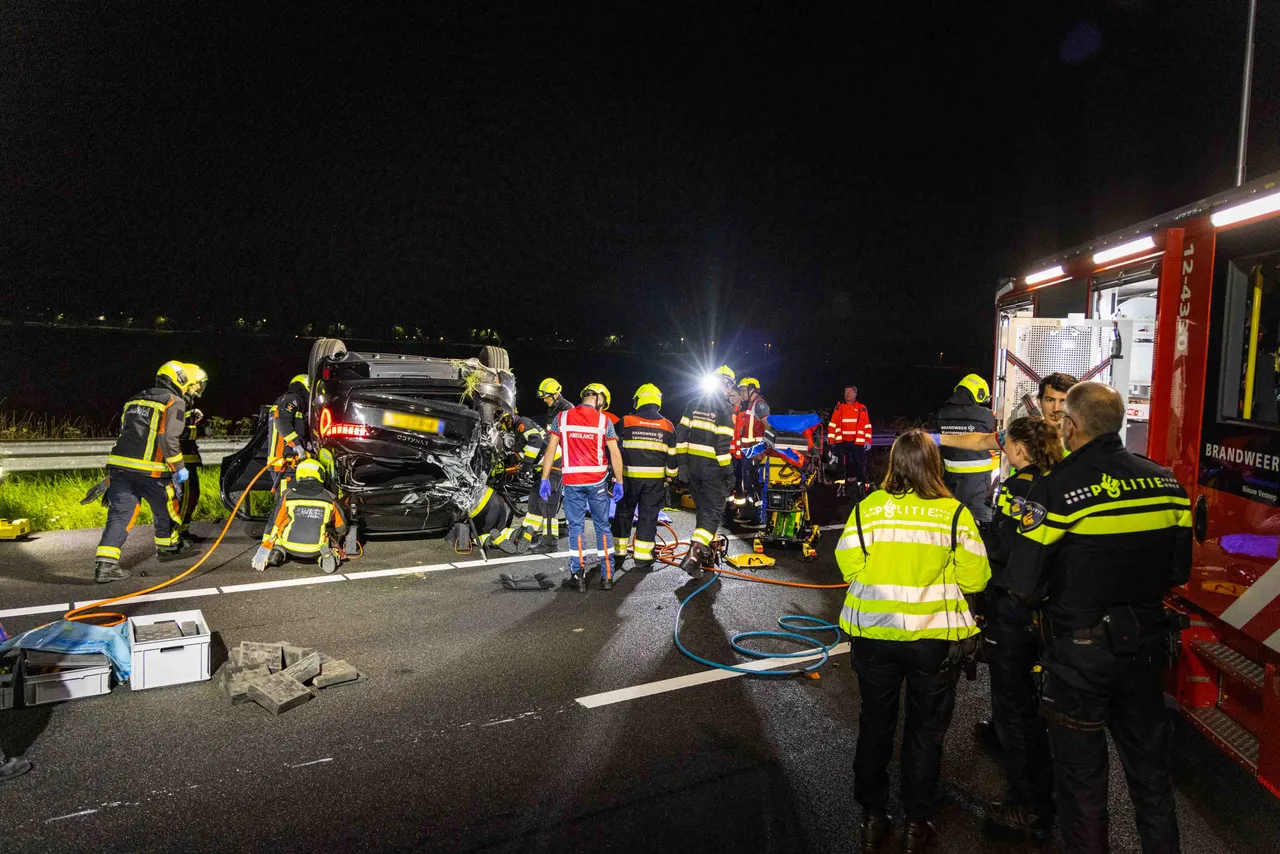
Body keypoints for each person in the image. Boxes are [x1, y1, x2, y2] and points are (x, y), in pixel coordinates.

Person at [1007, 382, 1190, 854]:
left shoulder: (1057, 488)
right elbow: (1178, 570)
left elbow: (1024, 584)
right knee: (1151, 780)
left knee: (1083, 787)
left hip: (1079, 656)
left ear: (1070, 426)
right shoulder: (1167, 483)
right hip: (1145, 649)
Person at [835, 430, 991, 853]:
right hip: (931, 641)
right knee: (925, 731)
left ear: (894, 464)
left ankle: (872, 816)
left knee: (875, 724)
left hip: (874, 636)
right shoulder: (954, 513)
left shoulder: (869, 508)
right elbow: (976, 578)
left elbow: (847, 561)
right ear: (933, 465)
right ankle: (916, 822)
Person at [980, 417, 1063, 841]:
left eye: (1007, 442)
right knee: (1037, 709)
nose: (1004, 447)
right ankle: (1046, 795)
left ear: (1020, 449)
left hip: (1013, 608)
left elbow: (1002, 546)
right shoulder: (1057, 483)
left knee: (1013, 710)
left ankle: (1028, 806)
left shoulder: (1015, 489)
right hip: (1050, 612)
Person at [93, 360, 202, 583]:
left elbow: (135, 431)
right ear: (180, 380)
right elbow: (168, 437)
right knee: (167, 509)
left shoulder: (133, 400)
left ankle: (105, 565)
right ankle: (168, 547)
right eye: (190, 385)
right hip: (151, 471)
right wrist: (179, 468)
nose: (191, 390)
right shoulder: (175, 401)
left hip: (121, 468)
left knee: (120, 516)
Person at [539, 385, 625, 591]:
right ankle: (607, 577)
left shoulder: (562, 418)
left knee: (576, 528)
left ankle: (578, 578)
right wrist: (620, 481)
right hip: (597, 483)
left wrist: (544, 478)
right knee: (602, 527)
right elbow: (615, 453)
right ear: (599, 400)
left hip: (572, 483)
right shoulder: (605, 421)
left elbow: (550, 450)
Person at [670, 365, 737, 577]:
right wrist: (729, 472)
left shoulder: (692, 404)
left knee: (703, 512)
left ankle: (700, 556)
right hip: (713, 470)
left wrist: (683, 464)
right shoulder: (726, 410)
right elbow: (722, 447)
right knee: (713, 513)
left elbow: (680, 437)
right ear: (727, 384)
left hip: (692, 469)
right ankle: (694, 555)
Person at [612, 383, 677, 570]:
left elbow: (612, 449)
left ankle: (618, 554)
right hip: (654, 483)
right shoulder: (668, 426)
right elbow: (673, 457)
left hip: (628, 479)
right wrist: (670, 476)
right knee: (648, 517)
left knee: (623, 515)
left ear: (639, 400)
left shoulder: (625, 422)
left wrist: (614, 473)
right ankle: (642, 557)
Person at [942, 372, 1079, 454]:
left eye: (1063, 401)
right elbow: (981, 441)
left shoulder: (1086, 438)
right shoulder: (1027, 433)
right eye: (1050, 400)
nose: (1056, 408)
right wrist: (936, 439)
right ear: (1039, 402)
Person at [252, 459, 349, 573]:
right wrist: (339, 536)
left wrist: (267, 543)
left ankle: (279, 550)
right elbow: (341, 526)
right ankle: (325, 555)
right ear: (320, 475)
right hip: (316, 549)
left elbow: (277, 522)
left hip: (289, 546)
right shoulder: (329, 497)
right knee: (328, 531)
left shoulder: (288, 495)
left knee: (283, 526)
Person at [938, 373, 997, 526]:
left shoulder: (942, 414)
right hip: (977, 478)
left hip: (950, 476)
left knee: (954, 517)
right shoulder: (986, 415)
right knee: (978, 518)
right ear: (979, 393)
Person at [524, 378, 574, 550]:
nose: (545, 400)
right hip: (552, 458)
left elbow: (565, 440)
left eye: (547, 397)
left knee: (550, 501)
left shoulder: (567, 410)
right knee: (546, 498)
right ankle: (553, 532)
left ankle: (551, 541)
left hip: (561, 461)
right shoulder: (554, 409)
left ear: (556, 394)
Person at [177, 363, 209, 544]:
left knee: (192, 494)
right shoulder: (180, 400)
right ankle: (177, 534)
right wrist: (202, 431)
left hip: (188, 455)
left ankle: (183, 530)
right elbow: (179, 432)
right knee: (186, 495)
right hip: (183, 458)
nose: (199, 386)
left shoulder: (187, 401)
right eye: (198, 383)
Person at [733, 377, 770, 521]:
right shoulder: (751, 406)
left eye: (743, 390)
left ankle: (760, 517)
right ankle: (751, 514)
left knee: (757, 485)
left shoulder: (760, 405)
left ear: (752, 389)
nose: (741, 393)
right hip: (749, 453)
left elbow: (767, 428)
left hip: (756, 453)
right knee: (749, 485)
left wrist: (761, 451)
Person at [267, 374, 311, 491]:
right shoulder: (291, 399)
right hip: (284, 464)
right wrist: (297, 445)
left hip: (290, 464)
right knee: (287, 501)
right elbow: (282, 422)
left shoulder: (298, 404)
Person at [828, 384, 873, 498]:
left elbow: (867, 425)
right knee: (841, 466)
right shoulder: (839, 407)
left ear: (855, 394)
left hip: (857, 443)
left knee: (860, 465)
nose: (846, 395)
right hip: (841, 442)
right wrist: (831, 439)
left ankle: (861, 487)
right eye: (845, 392)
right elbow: (832, 424)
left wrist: (868, 441)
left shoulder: (862, 408)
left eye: (849, 392)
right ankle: (841, 488)